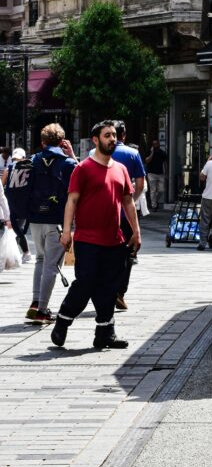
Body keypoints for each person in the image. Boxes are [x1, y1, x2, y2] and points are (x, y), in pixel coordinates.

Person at [50, 120, 141, 351]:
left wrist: (136, 231)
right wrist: (67, 231)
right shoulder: (83, 169)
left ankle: (105, 333)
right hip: (87, 240)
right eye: (107, 135)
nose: (112, 139)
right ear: (95, 140)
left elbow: (128, 202)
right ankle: (63, 320)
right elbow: (72, 200)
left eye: (113, 135)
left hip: (115, 239)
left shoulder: (120, 169)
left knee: (110, 287)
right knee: (86, 284)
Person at [21, 126, 77, 324]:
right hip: (58, 220)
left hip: (36, 218)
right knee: (52, 265)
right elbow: (82, 182)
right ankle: (43, 310)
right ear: (62, 141)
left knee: (40, 259)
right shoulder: (68, 163)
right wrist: (72, 155)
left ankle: (36, 302)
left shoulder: (33, 161)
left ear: (43, 141)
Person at [111, 121, 146, 311]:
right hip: (125, 215)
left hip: (103, 213)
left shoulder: (95, 153)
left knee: (105, 252)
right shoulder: (133, 154)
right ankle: (120, 292)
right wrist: (131, 201)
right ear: (123, 135)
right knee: (128, 254)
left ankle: (106, 289)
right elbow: (140, 184)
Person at [7, 147, 31, 264]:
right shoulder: (28, 169)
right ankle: (20, 253)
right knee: (18, 230)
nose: (16, 161)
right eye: (15, 159)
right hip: (18, 203)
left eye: (18, 159)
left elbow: (2, 184)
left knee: (17, 230)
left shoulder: (11, 168)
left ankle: (24, 253)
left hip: (17, 203)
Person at [144, 140, 167, 212]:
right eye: (154, 144)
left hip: (160, 174)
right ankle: (154, 205)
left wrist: (166, 173)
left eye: (157, 144)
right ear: (152, 145)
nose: (155, 145)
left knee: (161, 190)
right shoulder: (149, 152)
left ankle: (155, 201)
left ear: (159, 144)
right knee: (153, 190)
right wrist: (152, 153)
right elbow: (147, 161)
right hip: (151, 174)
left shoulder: (162, 153)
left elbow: (165, 163)